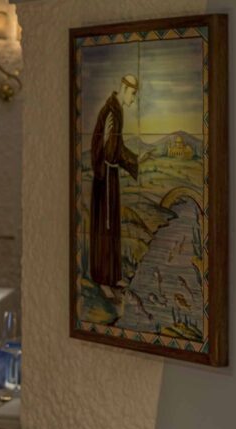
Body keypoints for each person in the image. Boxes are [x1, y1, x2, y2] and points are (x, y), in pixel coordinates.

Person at [89, 74, 152, 298]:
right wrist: (132, 160)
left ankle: (114, 276)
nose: (133, 99)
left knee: (112, 227)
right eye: (133, 94)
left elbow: (117, 147)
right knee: (105, 228)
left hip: (111, 175)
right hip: (105, 177)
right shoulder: (110, 111)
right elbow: (105, 148)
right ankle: (103, 280)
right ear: (124, 88)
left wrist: (135, 159)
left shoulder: (116, 110)